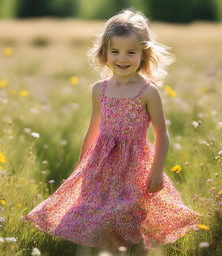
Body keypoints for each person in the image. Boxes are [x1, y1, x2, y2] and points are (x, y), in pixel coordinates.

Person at [24, 7, 202, 255]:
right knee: (91, 211)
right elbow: (93, 129)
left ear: (143, 54)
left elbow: (162, 134)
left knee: (130, 212)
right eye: (115, 51)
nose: (122, 58)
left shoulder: (147, 92)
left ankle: (135, 251)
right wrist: (81, 165)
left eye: (131, 52)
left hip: (134, 164)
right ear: (104, 53)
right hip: (101, 163)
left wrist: (158, 170)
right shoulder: (100, 89)